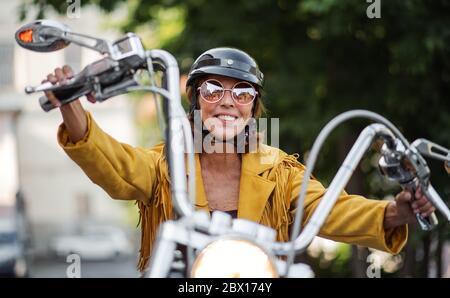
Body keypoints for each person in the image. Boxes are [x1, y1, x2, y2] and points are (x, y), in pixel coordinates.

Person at [44, 47, 435, 273]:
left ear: (254, 107)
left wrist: (396, 211)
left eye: (242, 92)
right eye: (213, 89)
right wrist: (71, 107)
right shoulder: (167, 166)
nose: (228, 101)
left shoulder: (280, 171)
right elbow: (115, 166)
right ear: (195, 101)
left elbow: (334, 210)